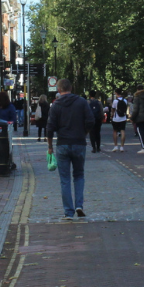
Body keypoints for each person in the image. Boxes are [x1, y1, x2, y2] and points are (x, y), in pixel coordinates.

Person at [45, 79, 94, 220]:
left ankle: (68, 212)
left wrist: (49, 147)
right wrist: (83, 134)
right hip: (79, 143)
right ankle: (79, 205)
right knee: (79, 175)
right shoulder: (82, 102)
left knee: (65, 179)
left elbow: (50, 128)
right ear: (71, 88)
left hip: (62, 145)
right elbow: (90, 121)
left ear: (59, 90)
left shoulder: (56, 105)